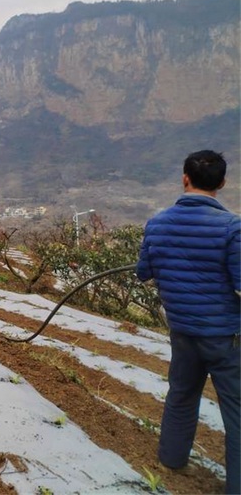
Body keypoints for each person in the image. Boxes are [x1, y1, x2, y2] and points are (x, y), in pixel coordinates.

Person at [136, 150, 239, 493]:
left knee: (181, 394)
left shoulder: (157, 223)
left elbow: (143, 273)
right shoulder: (232, 228)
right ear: (222, 183)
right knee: (236, 409)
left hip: (181, 331)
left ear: (184, 178)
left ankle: (171, 458)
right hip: (225, 337)